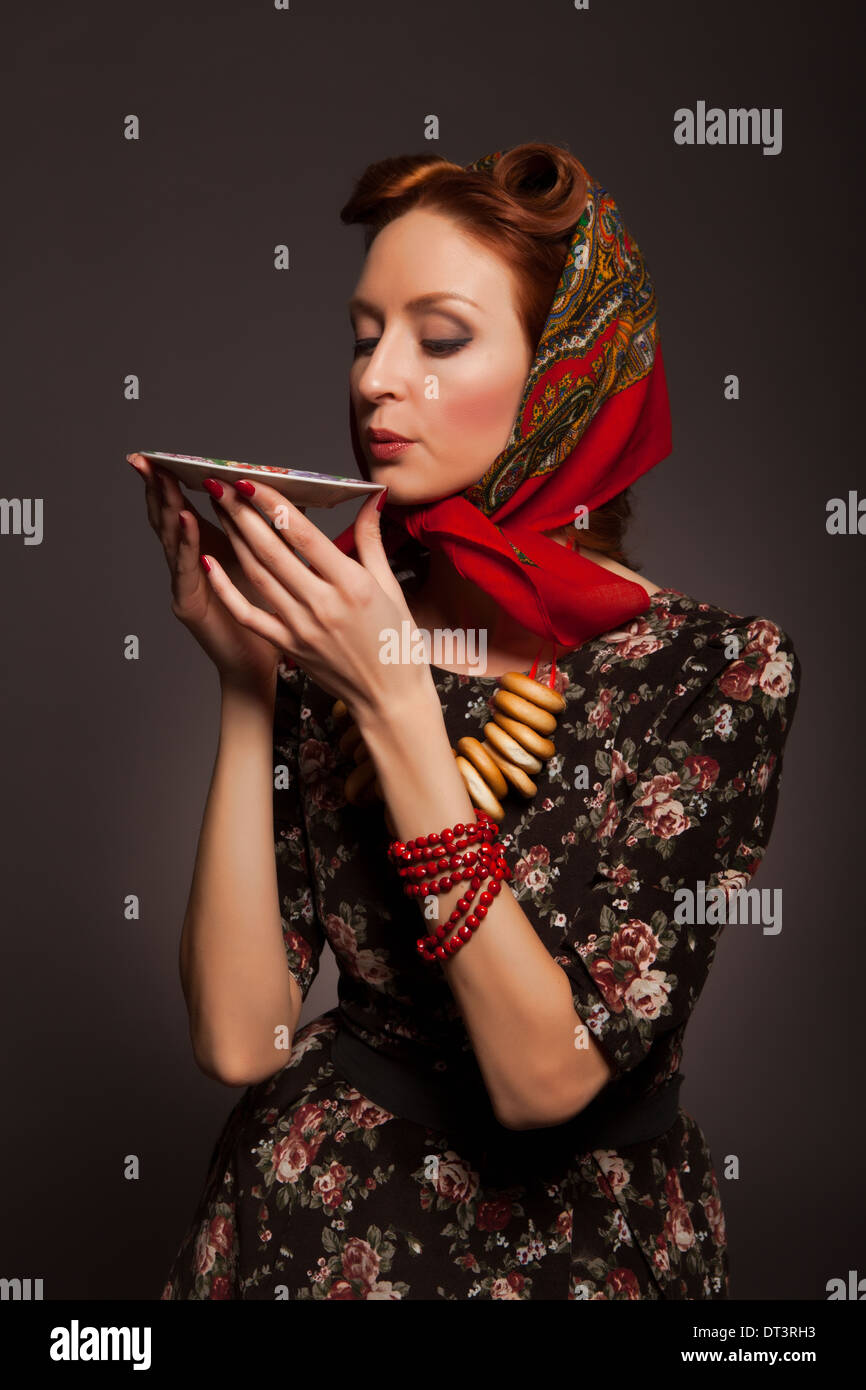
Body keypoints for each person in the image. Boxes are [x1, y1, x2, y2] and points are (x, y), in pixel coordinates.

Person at [130, 142, 801, 1300]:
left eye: (438, 339)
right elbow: (242, 1040)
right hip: (304, 1228)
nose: (377, 379)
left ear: (568, 377)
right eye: (362, 333)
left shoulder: (716, 669)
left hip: (581, 1254)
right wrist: (249, 679)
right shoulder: (336, 620)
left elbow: (545, 1078)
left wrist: (393, 696)